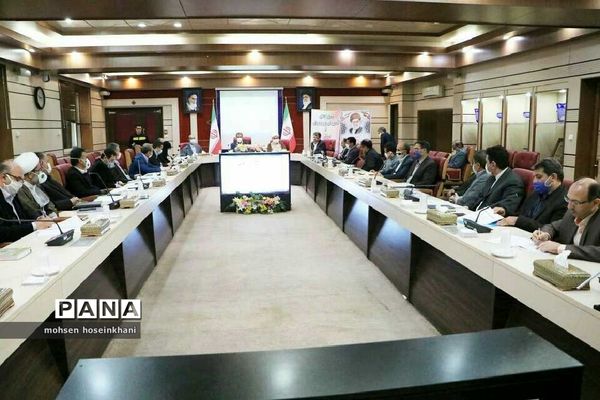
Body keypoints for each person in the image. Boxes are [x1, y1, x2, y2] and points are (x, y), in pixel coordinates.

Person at [533, 178, 600, 261]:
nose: (569, 207)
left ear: (595, 203)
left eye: (576, 202)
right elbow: (553, 226)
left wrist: (560, 248)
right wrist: (545, 234)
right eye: (568, 199)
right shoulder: (572, 213)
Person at [498, 158, 568, 232]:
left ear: (553, 177)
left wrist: (518, 221)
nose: (534, 181)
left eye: (539, 177)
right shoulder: (537, 193)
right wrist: (505, 212)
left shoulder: (564, 202)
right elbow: (522, 214)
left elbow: (550, 230)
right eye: (534, 177)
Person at [0, 162, 51, 242]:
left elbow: (22, 220)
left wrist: (38, 220)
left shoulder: (13, 194)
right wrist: (34, 225)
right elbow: (2, 232)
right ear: (3, 177)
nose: (21, 183)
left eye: (22, 180)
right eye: (18, 179)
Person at [476, 145, 524, 215]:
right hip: (475, 213)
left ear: (493, 164)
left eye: (487, 162)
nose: (486, 165)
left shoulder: (513, 182)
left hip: (489, 217)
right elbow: (481, 197)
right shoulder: (492, 177)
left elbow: (507, 205)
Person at [14, 152, 57, 219]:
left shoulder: (37, 185)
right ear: (30, 175)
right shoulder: (21, 190)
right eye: (39, 170)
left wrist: (53, 214)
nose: (42, 172)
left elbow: (49, 204)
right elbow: (32, 212)